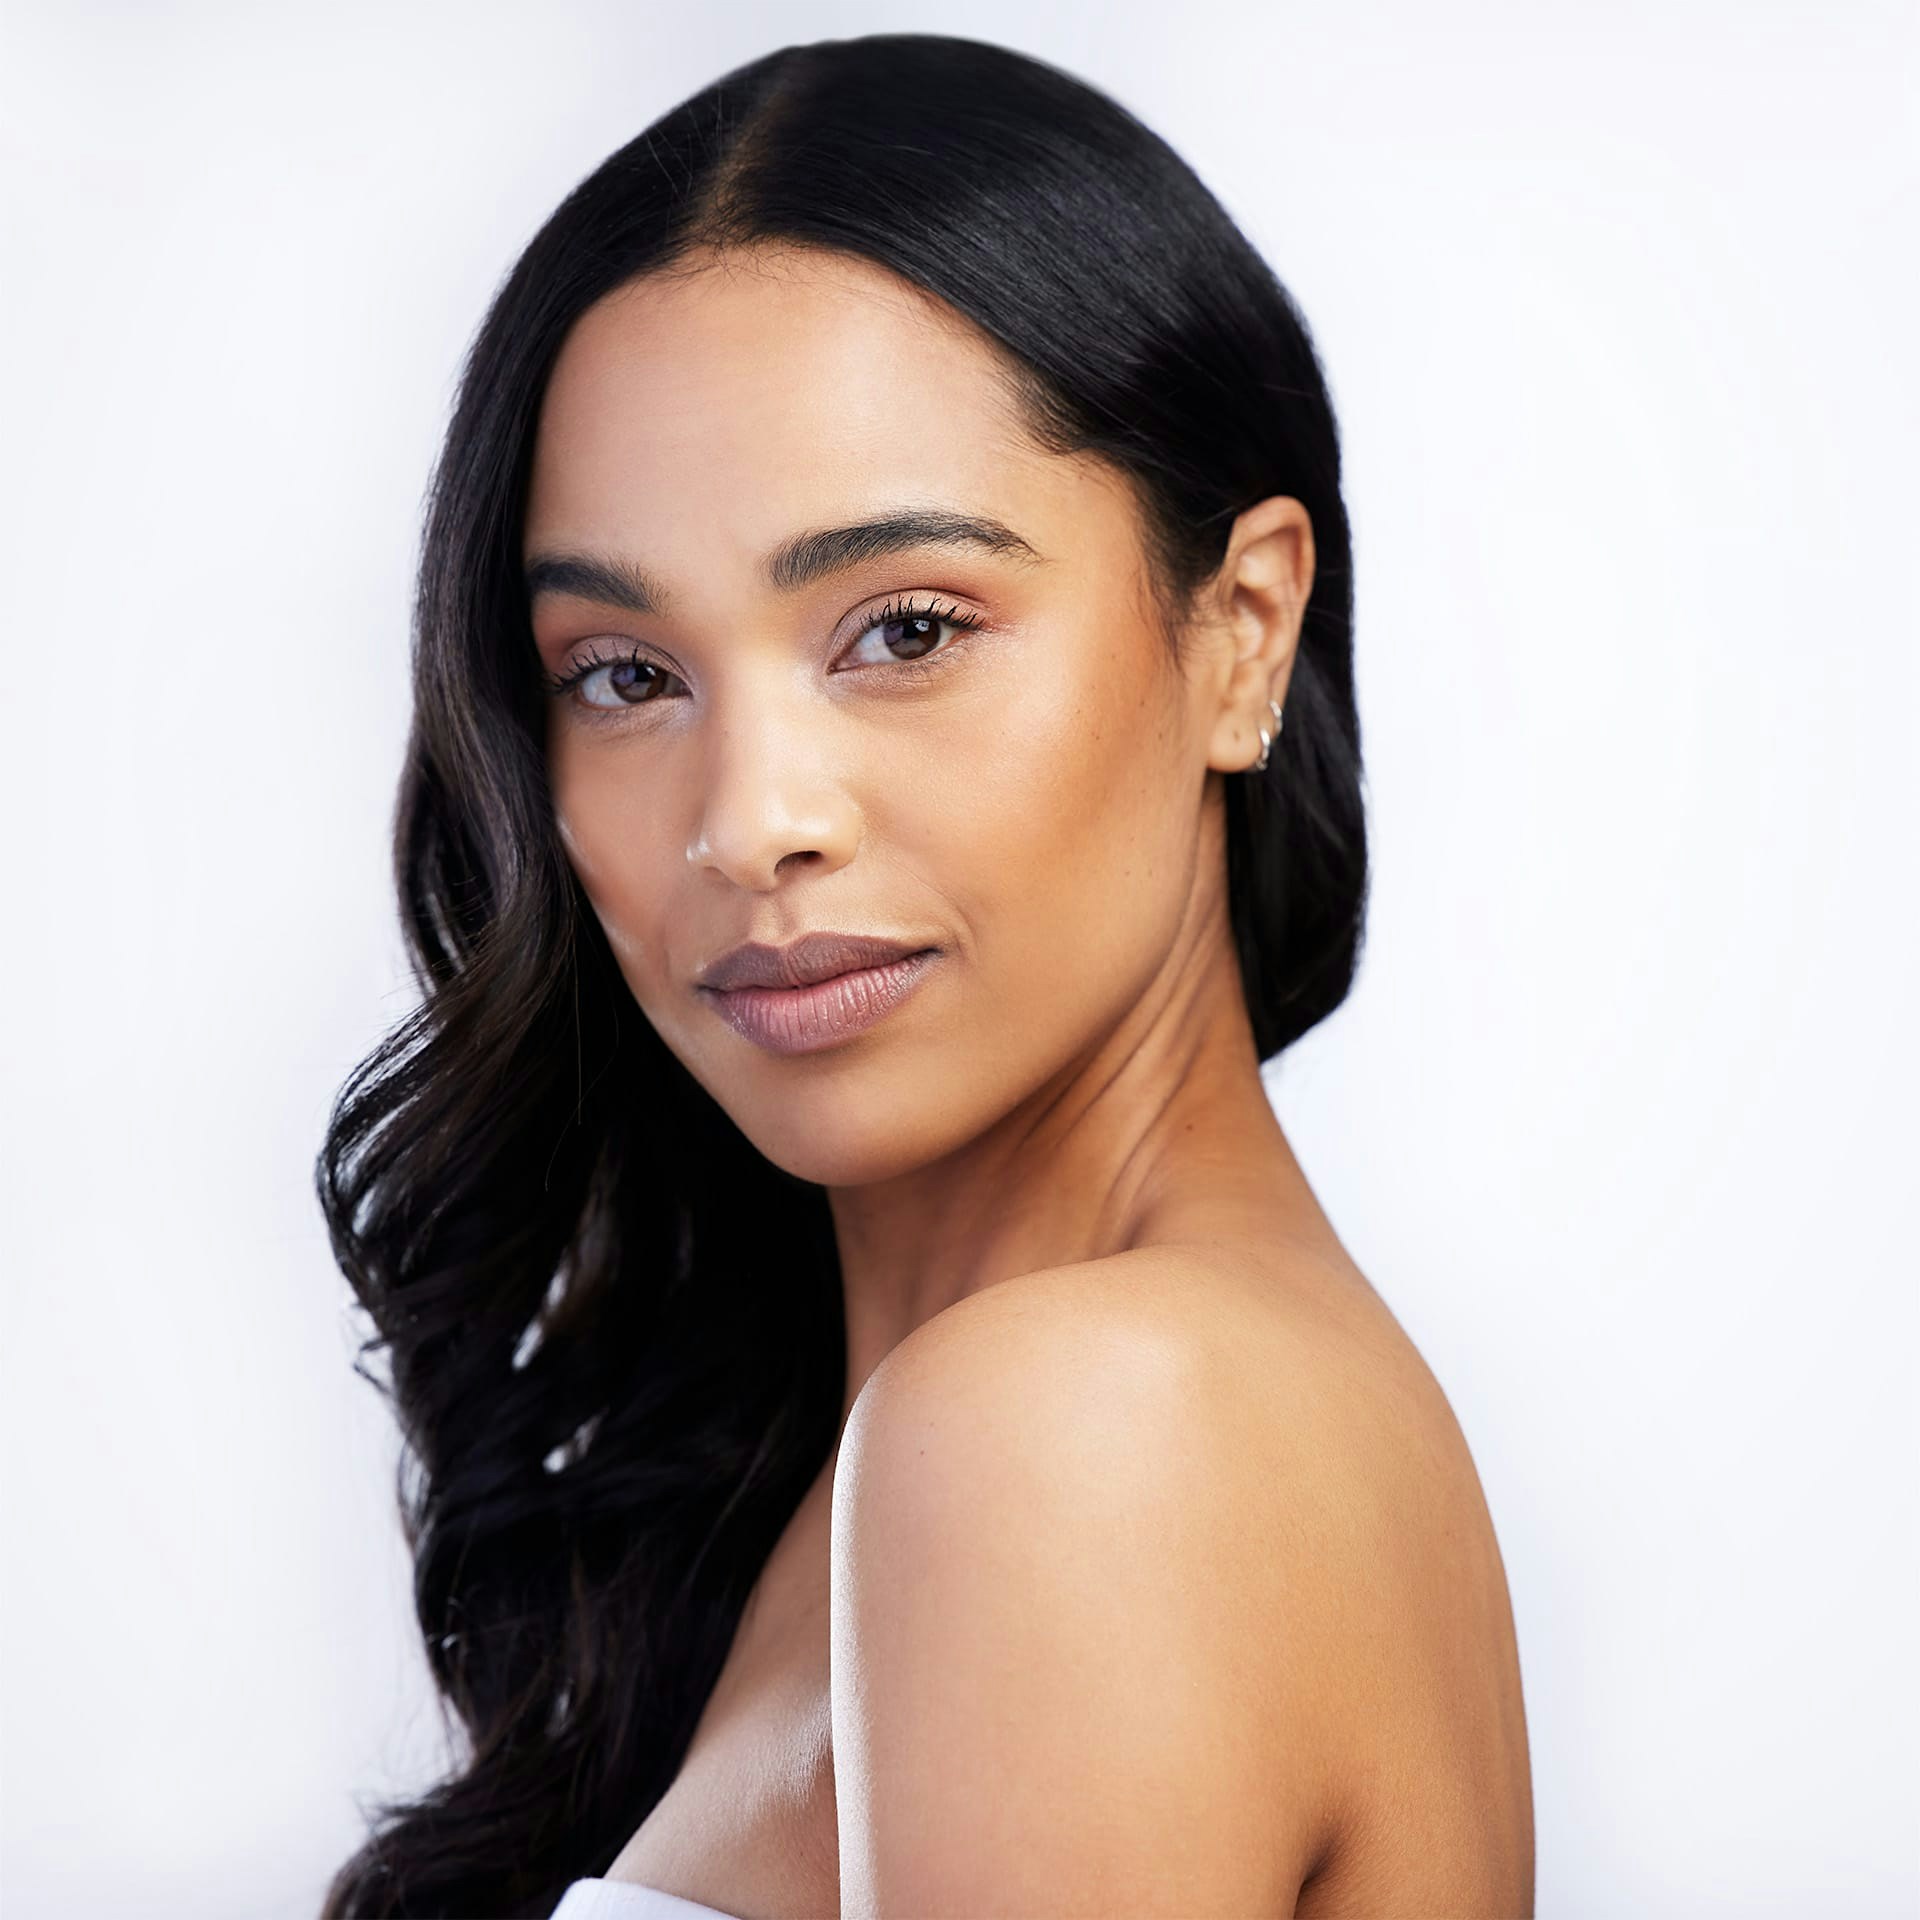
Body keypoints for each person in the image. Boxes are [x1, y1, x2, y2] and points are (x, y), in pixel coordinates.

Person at [320, 31, 1533, 1920]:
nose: (753, 823)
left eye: (903, 629)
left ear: (1241, 631)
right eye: (625, 674)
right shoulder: (939, 1443)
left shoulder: (1083, 1430)